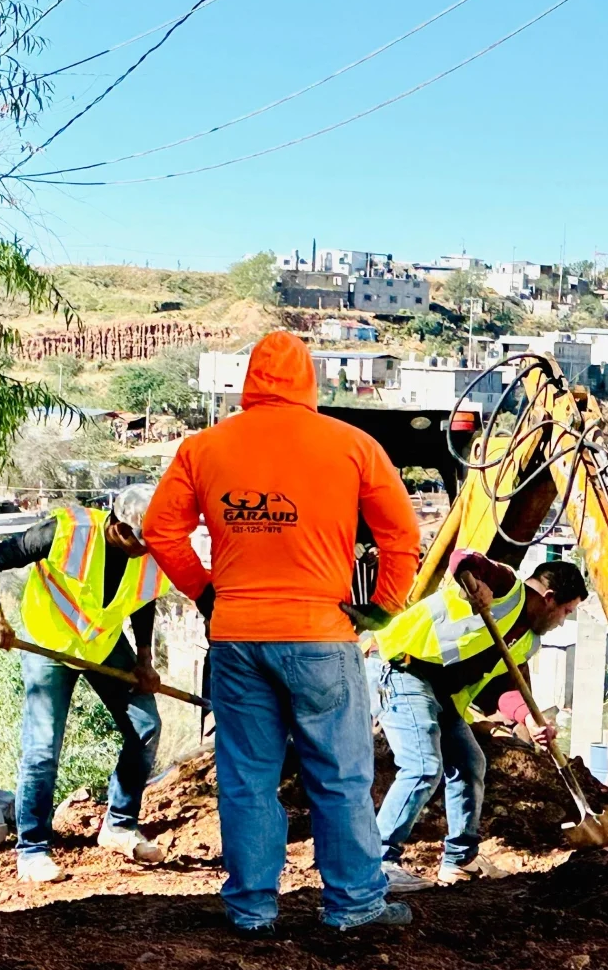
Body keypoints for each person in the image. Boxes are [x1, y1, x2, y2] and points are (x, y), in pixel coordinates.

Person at [142, 330, 422, 935]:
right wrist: (383, 607)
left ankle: (252, 910)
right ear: (309, 380)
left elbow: (160, 530)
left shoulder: (203, 447)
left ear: (249, 380)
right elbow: (401, 534)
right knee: (339, 776)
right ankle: (354, 906)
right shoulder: (352, 445)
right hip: (322, 637)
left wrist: (207, 592)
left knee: (247, 779)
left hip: (237, 638)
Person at [0, 483, 170, 883]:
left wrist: (144, 659)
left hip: (100, 643)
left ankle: (119, 825)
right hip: (49, 643)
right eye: (142, 541)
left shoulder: (151, 550)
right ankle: (32, 850)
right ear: (119, 528)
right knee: (43, 748)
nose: (150, 550)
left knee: (146, 727)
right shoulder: (65, 532)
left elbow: (143, 598)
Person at [368, 555, 587, 889]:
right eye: (566, 611)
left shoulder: (527, 641)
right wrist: (477, 585)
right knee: (424, 766)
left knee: (470, 763)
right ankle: (377, 863)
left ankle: (460, 860)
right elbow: (462, 558)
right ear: (549, 597)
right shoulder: (506, 587)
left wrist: (529, 718)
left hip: (441, 693)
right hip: (403, 668)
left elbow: (498, 689)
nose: (562, 622)